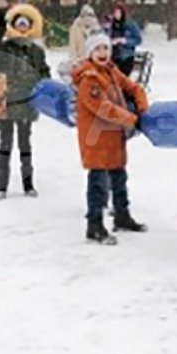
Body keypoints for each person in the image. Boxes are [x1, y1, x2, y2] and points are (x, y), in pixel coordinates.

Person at [73, 32, 149, 244]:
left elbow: (133, 88)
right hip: (96, 138)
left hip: (114, 136)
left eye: (105, 48)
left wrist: (143, 108)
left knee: (119, 176)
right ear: (90, 53)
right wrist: (131, 118)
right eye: (97, 49)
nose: (102, 53)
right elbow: (103, 109)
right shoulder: (90, 79)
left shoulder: (111, 71)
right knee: (98, 182)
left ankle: (122, 215)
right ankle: (94, 225)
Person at [0, 4, 51, 199]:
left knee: (25, 145)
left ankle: (28, 184)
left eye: (25, 24)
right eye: (18, 24)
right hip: (5, 102)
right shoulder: (3, 49)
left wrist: (44, 88)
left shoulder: (36, 51)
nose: (22, 27)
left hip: (27, 102)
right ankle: (2, 186)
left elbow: (43, 72)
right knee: (5, 144)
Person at [108, 2, 143, 77]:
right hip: (112, 56)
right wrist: (111, 42)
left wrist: (125, 41)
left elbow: (138, 40)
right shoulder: (110, 25)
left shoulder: (130, 24)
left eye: (118, 12)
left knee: (123, 78)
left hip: (126, 56)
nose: (116, 15)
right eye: (115, 13)